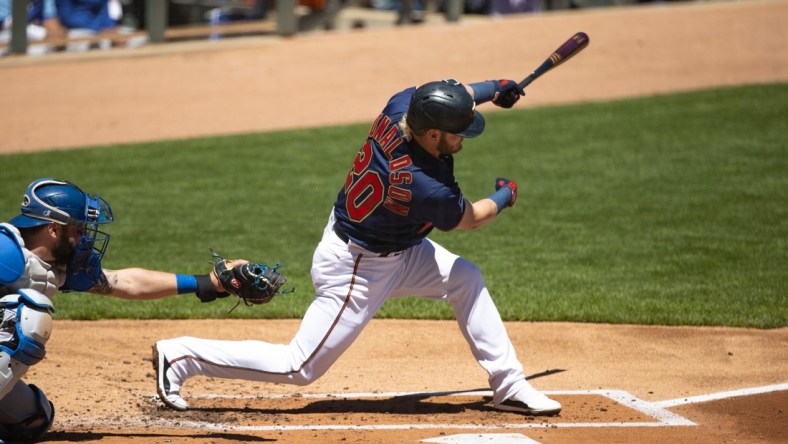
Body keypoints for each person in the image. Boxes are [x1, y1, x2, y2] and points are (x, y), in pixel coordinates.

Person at [153, 78, 562, 416]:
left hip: (398, 248)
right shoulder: (423, 183)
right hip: (357, 268)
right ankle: (181, 356)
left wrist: (495, 88)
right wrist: (506, 195)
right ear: (432, 133)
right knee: (299, 366)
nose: (463, 139)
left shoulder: (403, 106)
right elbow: (471, 218)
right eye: (458, 132)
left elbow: (452, 93)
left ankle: (508, 385)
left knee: (465, 277)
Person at [0, 178, 238, 442]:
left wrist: (207, 283)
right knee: (29, 316)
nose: (84, 238)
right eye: (78, 229)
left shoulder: (51, 266)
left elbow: (126, 282)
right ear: (54, 229)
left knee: (33, 419)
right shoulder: (5, 252)